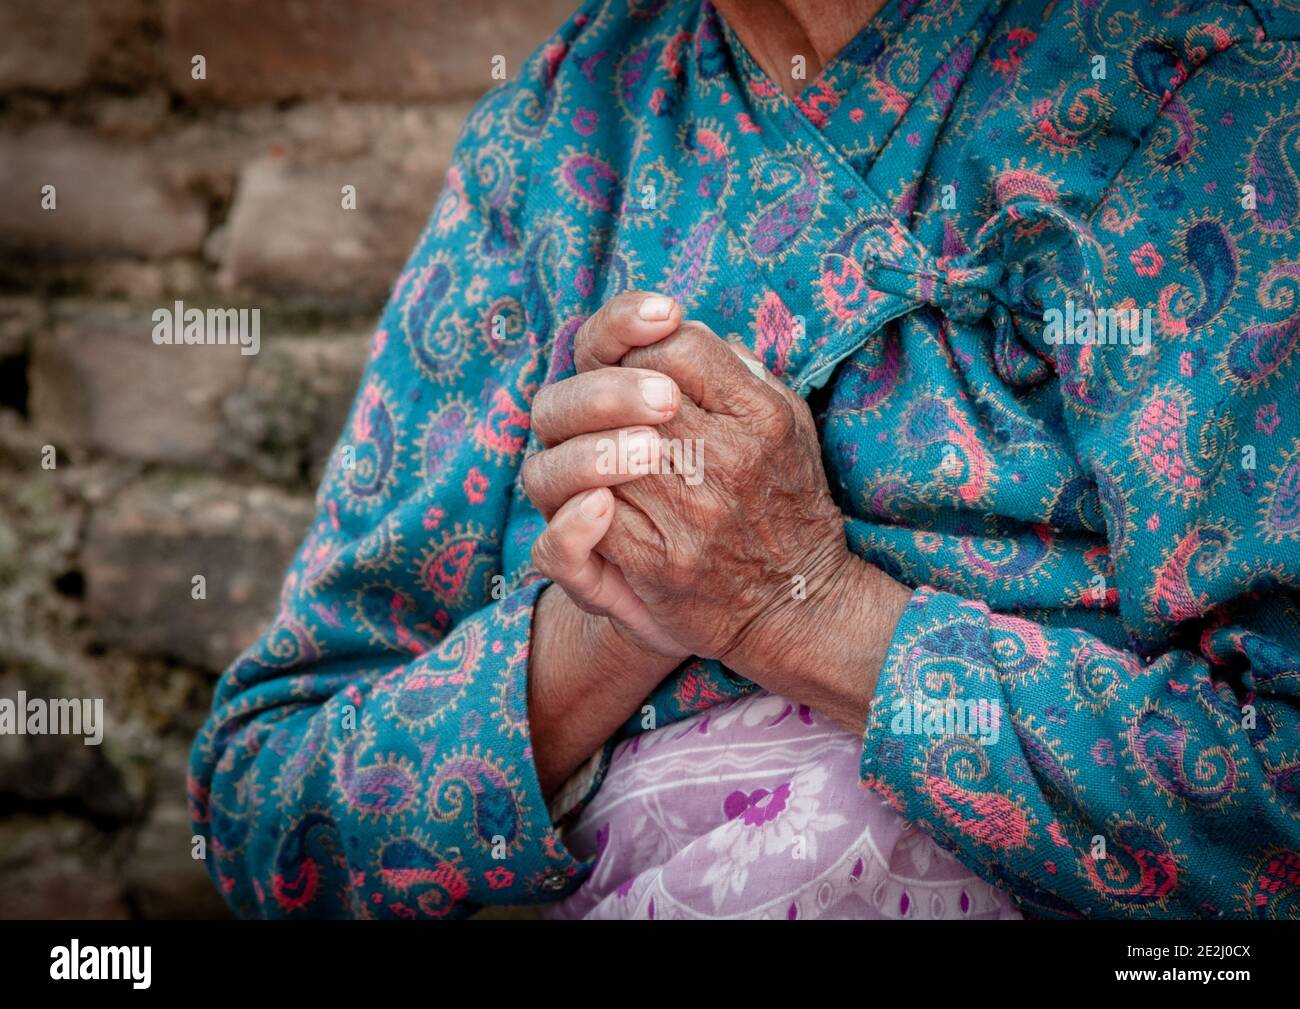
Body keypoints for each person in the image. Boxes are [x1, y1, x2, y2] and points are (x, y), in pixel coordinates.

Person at [190, 0, 1300, 919]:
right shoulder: (564, 134)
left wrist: (803, 607)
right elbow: (265, 816)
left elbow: (1275, 808)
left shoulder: (1208, 89)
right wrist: (614, 621)